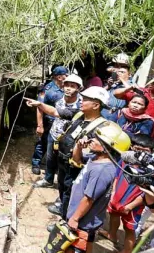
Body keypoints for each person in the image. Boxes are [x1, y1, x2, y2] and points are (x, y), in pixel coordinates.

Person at [44, 123, 130, 253]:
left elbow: (89, 198)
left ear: (106, 147)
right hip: (83, 214)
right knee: (86, 242)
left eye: (97, 139)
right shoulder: (96, 158)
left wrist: (75, 218)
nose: (91, 140)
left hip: (84, 217)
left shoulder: (101, 170)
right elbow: (76, 160)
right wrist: (78, 146)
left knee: (71, 244)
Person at [26, 86, 112, 219]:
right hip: (63, 159)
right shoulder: (78, 114)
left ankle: (66, 220)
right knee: (62, 187)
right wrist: (40, 104)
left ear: (96, 105)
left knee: (70, 193)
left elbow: (96, 153)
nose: (81, 101)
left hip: (76, 167)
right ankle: (63, 210)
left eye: (86, 100)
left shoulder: (101, 127)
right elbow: (55, 112)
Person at [101, 134, 154, 253]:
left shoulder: (151, 170)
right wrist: (113, 193)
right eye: (137, 149)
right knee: (113, 215)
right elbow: (116, 176)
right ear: (131, 148)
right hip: (117, 198)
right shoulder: (124, 160)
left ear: (152, 152)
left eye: (145, 151)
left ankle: (127, 252)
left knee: (129, 228)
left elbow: (145, 194)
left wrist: (130, 206)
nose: (140, 154)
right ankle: (112, 234)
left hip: (133, 205)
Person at [34, 74, 83, 188]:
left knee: (64, 166)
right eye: (66, 85)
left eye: (72, 86)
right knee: (50, 160)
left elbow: (56, 112)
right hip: (54, 133)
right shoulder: (60, 98)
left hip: (68, 140)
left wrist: (40, 105)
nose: (68, 88)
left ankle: (62, 193)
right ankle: (48, 179)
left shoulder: (81, 105)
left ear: (78, 88)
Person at [113, 73, 154, 138]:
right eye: (151, 80)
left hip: (147, 138)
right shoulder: (139, 92)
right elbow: (117, 95)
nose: (151, 83)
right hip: (123, 130)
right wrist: (128, 88)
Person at [31, 66, 68, 175]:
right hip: (49, 121)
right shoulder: (47, 90)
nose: (67, 77)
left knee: (57, 145)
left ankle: (51, 166)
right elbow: (39, 107)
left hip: (61, 122)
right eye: (65, 75)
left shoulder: (66, 88)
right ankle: (36, 163)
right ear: (59, 77)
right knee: (42, 143)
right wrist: (40, 125)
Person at [102, 55, 133, 121]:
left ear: (129, 73)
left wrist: (121, 79)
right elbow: (98, 93)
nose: (118, 69)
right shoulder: (113, 83)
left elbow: (130, 90)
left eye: (122, 67)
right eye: (116, 65)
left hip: (117, 115)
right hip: (104, 111)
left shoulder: (131, 84)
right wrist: (108, 86)